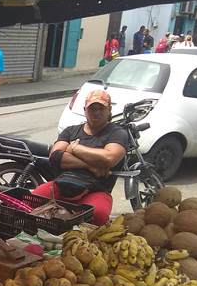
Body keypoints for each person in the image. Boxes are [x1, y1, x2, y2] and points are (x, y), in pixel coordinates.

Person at [32, 90, 128, 226]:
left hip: (97, 189)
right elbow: (55, 156)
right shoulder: (71, 131)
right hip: (62, 185)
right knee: (31, 201)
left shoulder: (117, 133)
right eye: (92, 108)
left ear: (109, 109)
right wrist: (90, 165)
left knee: (98, 215)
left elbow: (109, 158)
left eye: (101, 108)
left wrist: (75, 149)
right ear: (85, 110)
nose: (96, 112)